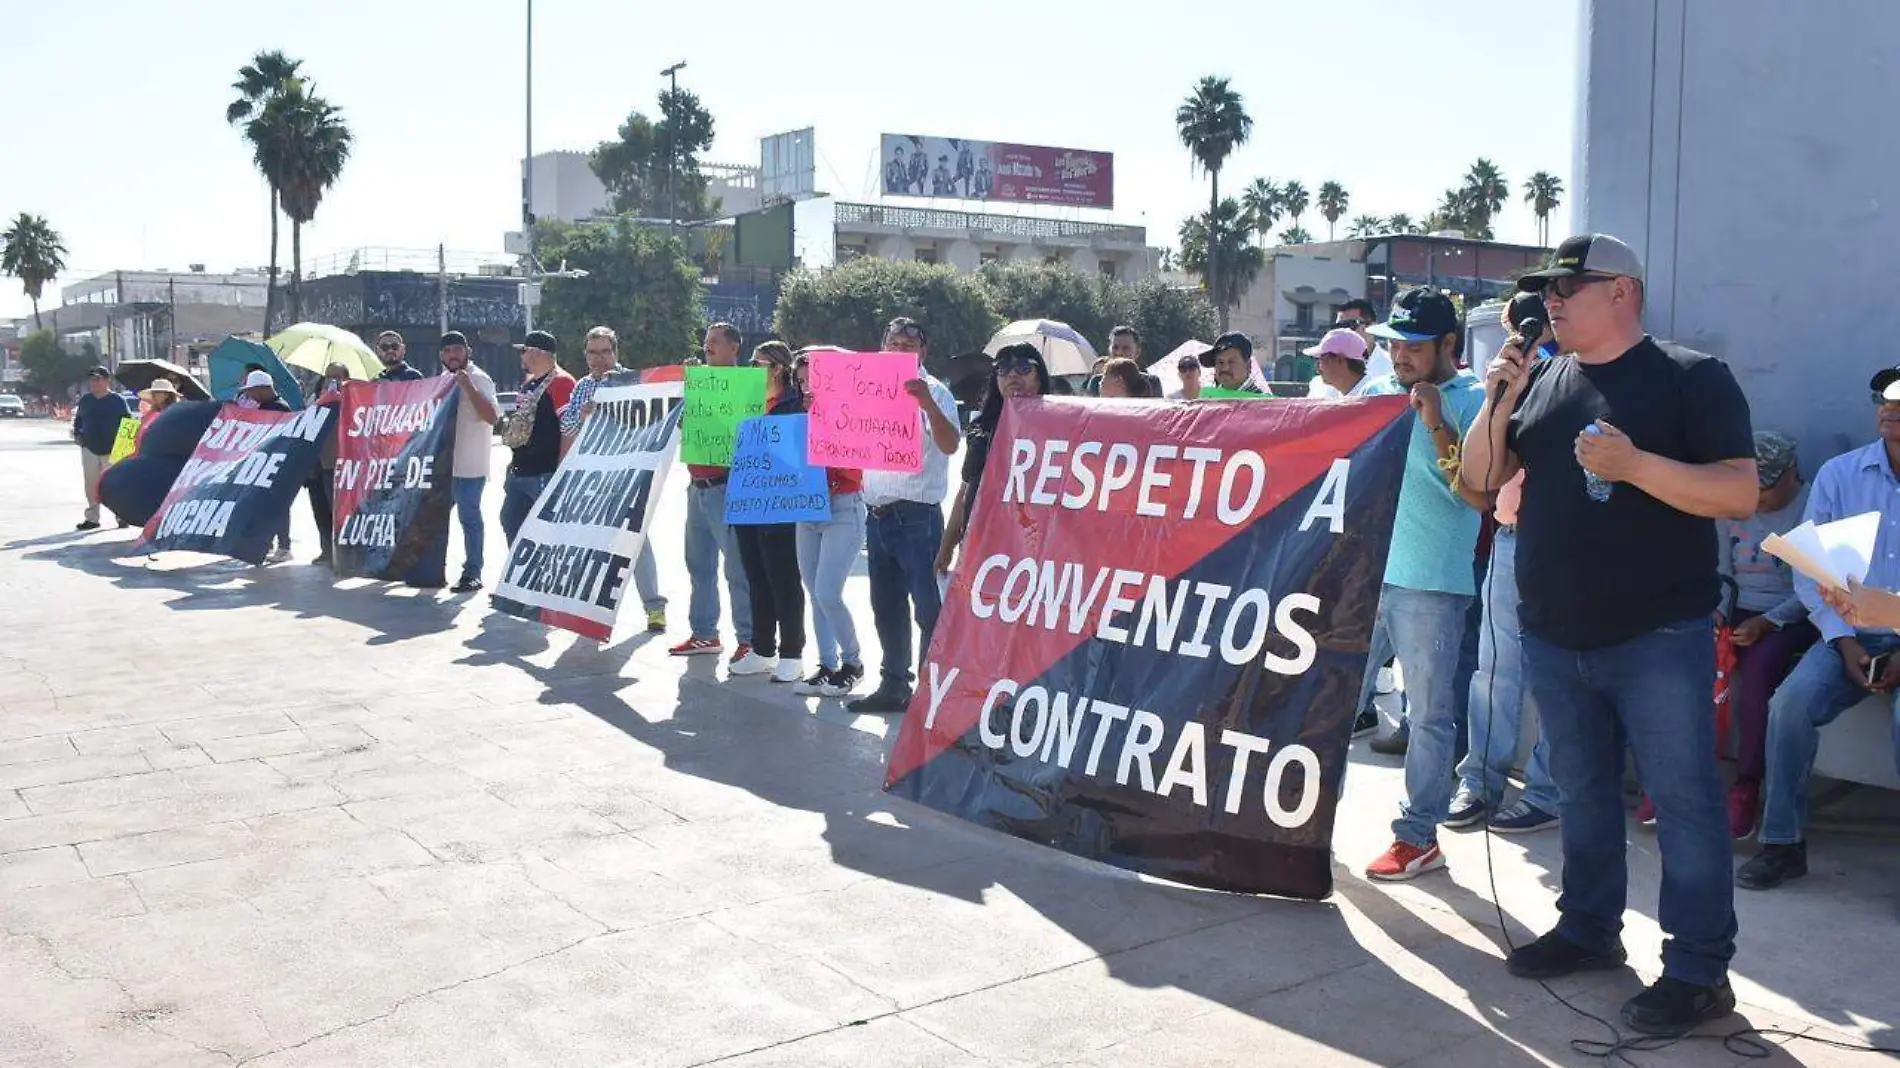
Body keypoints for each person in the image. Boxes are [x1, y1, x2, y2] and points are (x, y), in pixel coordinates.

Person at [1464, 233, 1757, 1036]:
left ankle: (1698, 970)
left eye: (1571, 286)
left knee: (1686, 804)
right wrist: (1497, 399)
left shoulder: (1690, 377)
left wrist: (1638, 467)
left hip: (1657, 633)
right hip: (1556, 636)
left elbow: (1739, 491)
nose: (1552, 300)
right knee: (1584, 795)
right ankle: (1590, 929)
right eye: (1548, 289)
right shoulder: (1544, 378)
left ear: (1623, 291)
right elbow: (1479, 482)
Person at [1738, 376, 1900, 892]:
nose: (1888, 409)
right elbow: (1812, 572)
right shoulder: (1842, 475)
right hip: (1848, 635)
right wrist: (1844, 641)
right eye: (1883, 399)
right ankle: (1782, 845)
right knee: (1789, 706)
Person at [1352, 288, 1487, 883]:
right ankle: (1300, 819)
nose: (1399, 355)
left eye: (1413, 344)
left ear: (1449, 346)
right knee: (1330, 707)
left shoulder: (1479, 400)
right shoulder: (1378, 396)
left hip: (1432, 584)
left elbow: (1479, 493)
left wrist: (1437, 425)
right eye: (1393, 342)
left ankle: (1418, 838)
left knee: (1429, 717)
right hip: (1362, 577)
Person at [1449, 297, 1563, 834]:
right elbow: (1478, 472)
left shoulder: (1570, 376)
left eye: (1530, 324)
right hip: (1512, 534)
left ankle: (1546, 790)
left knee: (1555, 676)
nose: (1522, 333)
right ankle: (1481, 781)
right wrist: (1500, 393)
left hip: (1563, 543)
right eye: (1518, 325)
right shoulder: (1506, 378)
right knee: (1494, 669)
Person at [1701, 430, 1816, 841]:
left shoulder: (1813, 506)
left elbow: (1815, 588)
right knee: (1687, 660)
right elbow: (1720, 569)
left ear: (1791, 474)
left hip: (1791, 614)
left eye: (1765, 491)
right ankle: (1680, 779)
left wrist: (1767, 622)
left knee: (1757, 677)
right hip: (1737, 605)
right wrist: (1718, 615)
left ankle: (1746, 784)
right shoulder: (1733, 500)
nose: (1757, 500)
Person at [847, 316, 962, 714]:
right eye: (892, 342)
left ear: (922, 352)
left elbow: (949, 445)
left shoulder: (936, 391)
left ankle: (933, 692)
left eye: (907, 345)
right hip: (877, 515)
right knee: (886, 606)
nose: (898, 349)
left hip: (916, 517)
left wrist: (926, 403)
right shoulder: (866, 388)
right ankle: (894, 684)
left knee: (929, 608)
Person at [557, 326, 664, 623]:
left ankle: (654, 607)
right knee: (593, 543)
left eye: (605, 351)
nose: (599, 358)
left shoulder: (633, 382)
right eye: (593, 352)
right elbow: (567, 429)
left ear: (615, 352)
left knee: (637, 542)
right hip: (594, 477)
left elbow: (650, 425)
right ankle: (592, 610)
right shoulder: (581, 387)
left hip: (628, 475)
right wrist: (584, 417)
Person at [671, 323, 757, 666]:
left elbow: (740, 430)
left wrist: (704, 394)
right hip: (697, 486)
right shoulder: (699, 382)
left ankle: (750, 639)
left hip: (727, 485)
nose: (706, 347)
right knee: (698, 564)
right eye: (705, 341)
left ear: (734, 347)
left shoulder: (746, 385)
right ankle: (704, 632)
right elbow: (684, 426)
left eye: (714, 342)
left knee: (737, 568)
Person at [729, 342, 808, 683]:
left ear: (776, 368)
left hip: (780, 502)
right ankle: (762, 649)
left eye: (756, 364)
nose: (751, 369)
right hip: (748, 499)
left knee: (784, 578)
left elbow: (797, 453)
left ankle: (792, 652)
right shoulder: (747, 401)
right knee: (756, 576)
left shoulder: (795, 404)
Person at [791, 349, 866, 698]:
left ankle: (853, 662)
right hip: (807, 511)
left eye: (813, 380)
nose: (806, 387)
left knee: (826, 591)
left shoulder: (850, 416)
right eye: (802, 380)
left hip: (842, 508)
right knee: (815, 594)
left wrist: (821, 420)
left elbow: (852, 470)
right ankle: (827, 664)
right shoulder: (798, 416)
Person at [939, 342, 1051, 575]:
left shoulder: (1058, 428)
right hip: (980, 544)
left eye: (1023, 368)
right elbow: (965, 490)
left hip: (1033, 552)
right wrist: (947, 546)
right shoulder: (981, 428)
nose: (1012, 375)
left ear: (1040, 377)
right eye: (1002, 368)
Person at [497, 330, 575, 548]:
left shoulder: (562, 383)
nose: (521, 356)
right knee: (511, 522)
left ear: (536, 353)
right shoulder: (529, 384)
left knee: (549, 532)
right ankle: (521, 576)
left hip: (545, 473)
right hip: (520, 471)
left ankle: (550, 579)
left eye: (524, 351)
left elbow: (569, 428)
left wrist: (562, 470)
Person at [437, 332, 499, 593]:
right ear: (441, 355)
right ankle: (432, 570)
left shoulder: (479, 378)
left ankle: (473, 572)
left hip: (469, 465)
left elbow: (493, 417)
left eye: (457, 350)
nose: (453, 355)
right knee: (434, 520)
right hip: (442, 467)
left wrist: (468, 388)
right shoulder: (440, 380)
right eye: (448, 350)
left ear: (467, 352)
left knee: (469, 518)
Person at [239, 370, 298, 564]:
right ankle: (268, 544)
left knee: (277, 507)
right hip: (265, 464)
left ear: (263, 388)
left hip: (277, 465)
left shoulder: (278, 408)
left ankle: (284, 546)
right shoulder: (265, 406)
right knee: (264, 507)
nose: (249, 395)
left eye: (251, 390)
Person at [72, 367, 132, 531]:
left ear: (107, 381)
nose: (94, 383)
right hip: (90, 448)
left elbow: (128, 424)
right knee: (91, 485)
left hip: (113, 450)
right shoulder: (86, 400)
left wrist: (124, 450)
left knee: (114, 485)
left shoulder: (117, 401)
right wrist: (78, 435)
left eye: (98, 379)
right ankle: (92, 518)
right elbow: (78, 420)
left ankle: (122, 516)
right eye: (92, 379)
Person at [306, 363, 350, 566]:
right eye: (328, 376)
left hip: (340, 463)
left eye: (337, 377)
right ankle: (326, 550)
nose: (332, 380)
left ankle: (342, 553)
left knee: (338, 511)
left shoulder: (353, 400)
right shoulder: (315, 400)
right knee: (321, 510)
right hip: (318, 464)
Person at [1302, 328, 1373, 399]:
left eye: (1324, 360)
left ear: (1340, 359)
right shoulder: (1334, 394)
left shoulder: (1373, 395)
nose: (1318, 368)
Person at [1336, 298, 1397, 381]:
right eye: (1338, 327)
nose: (1343, 332)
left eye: (1349, 325)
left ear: (1372, 326)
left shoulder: (1393, 367)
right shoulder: (1330, 369)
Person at [1197, 333, 1263, 393]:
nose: (1225, 368)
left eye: (1232, 362)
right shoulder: (1209, 399)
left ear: (1248, 366)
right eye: (1220, 362)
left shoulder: (1262, 403)